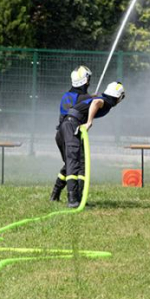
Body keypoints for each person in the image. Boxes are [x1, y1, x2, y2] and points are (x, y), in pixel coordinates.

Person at [54, 82, 126, 208]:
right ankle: (73, 200)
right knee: (74, 162)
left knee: (76, 162)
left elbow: (89, 103)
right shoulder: (105, 102)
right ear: (118, 96)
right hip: (71, 125)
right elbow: (96, 104)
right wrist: (89, 122)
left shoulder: (99, 99)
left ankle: (59, 194)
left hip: (66, 127)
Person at [50, 66, 93, 201]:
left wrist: (90, 97)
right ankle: (74, 198)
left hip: (61, 134)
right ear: (85, 81)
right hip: (70, 132)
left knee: (70, 163)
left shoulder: (67, 95)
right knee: (76, 164)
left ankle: (55, 194)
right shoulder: (84, 98)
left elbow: (79, 101)